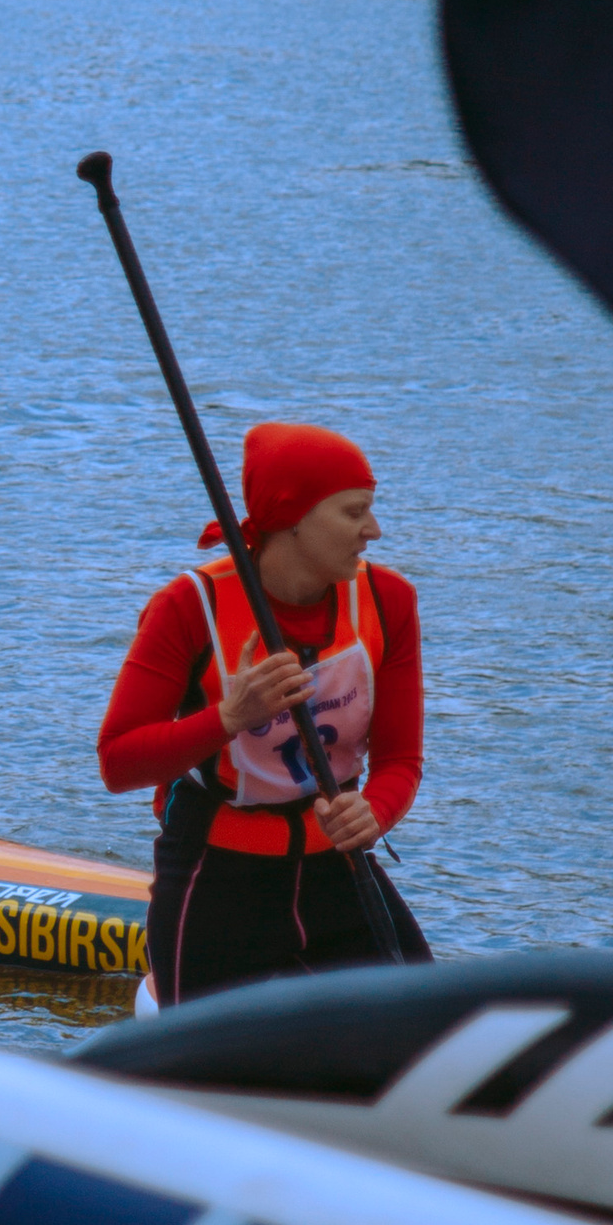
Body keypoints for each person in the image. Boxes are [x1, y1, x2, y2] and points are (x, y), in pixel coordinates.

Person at [97, 422, 429, 1001]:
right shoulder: (188, 606)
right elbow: (118, 763)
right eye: (354, 513)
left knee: (433, 1028)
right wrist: (228, 717)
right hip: (215, 878)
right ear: (293, 518)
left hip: (338, 872)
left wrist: (373, 812)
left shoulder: (388, 600)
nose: (373, 531)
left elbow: (402, 759)